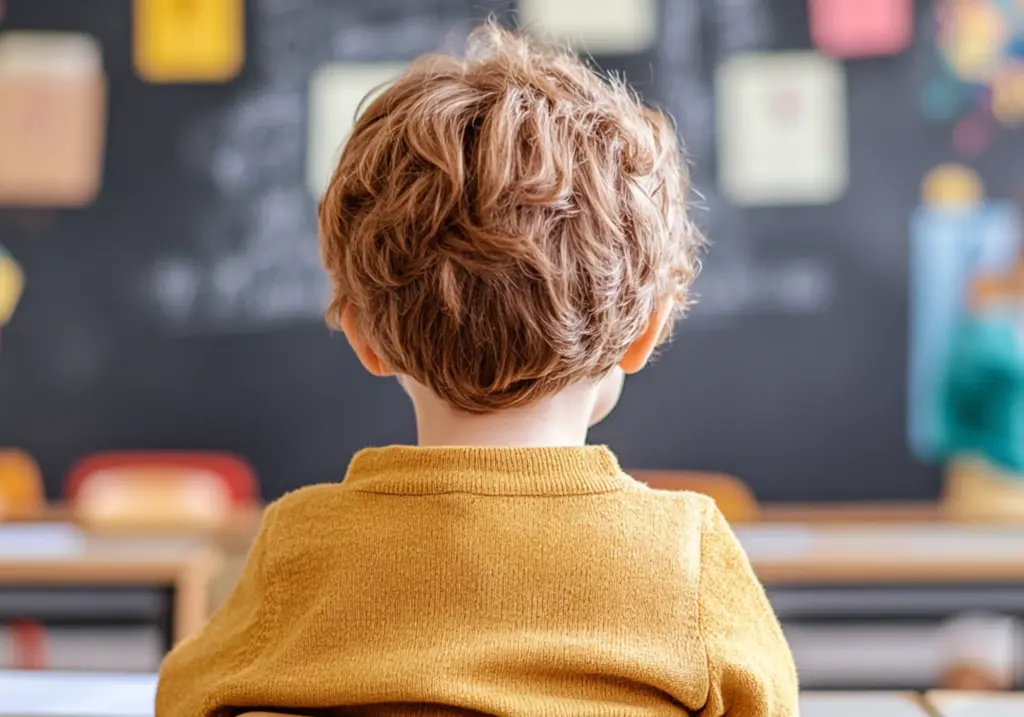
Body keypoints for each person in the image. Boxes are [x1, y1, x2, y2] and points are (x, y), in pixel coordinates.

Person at [156, 22, 797, 717]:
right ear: (644, 333)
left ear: (366, 338)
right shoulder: (688, 558)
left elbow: (183, 698)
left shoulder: (299, 547)